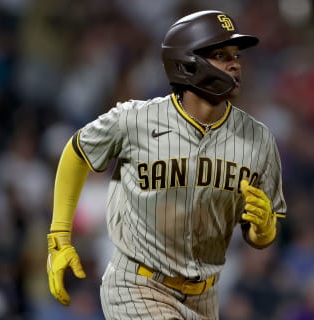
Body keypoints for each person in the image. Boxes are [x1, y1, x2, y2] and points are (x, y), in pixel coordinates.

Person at [46, 10, 287, 320]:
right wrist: (59, 237)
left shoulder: (258, 138)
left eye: (235, 55)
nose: (234, 64)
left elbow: (259, 234)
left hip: (206, 296)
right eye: (219, 54)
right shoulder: (136, 120)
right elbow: (77, 151)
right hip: (137, 283)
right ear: (186, 63)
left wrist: (264, 231)